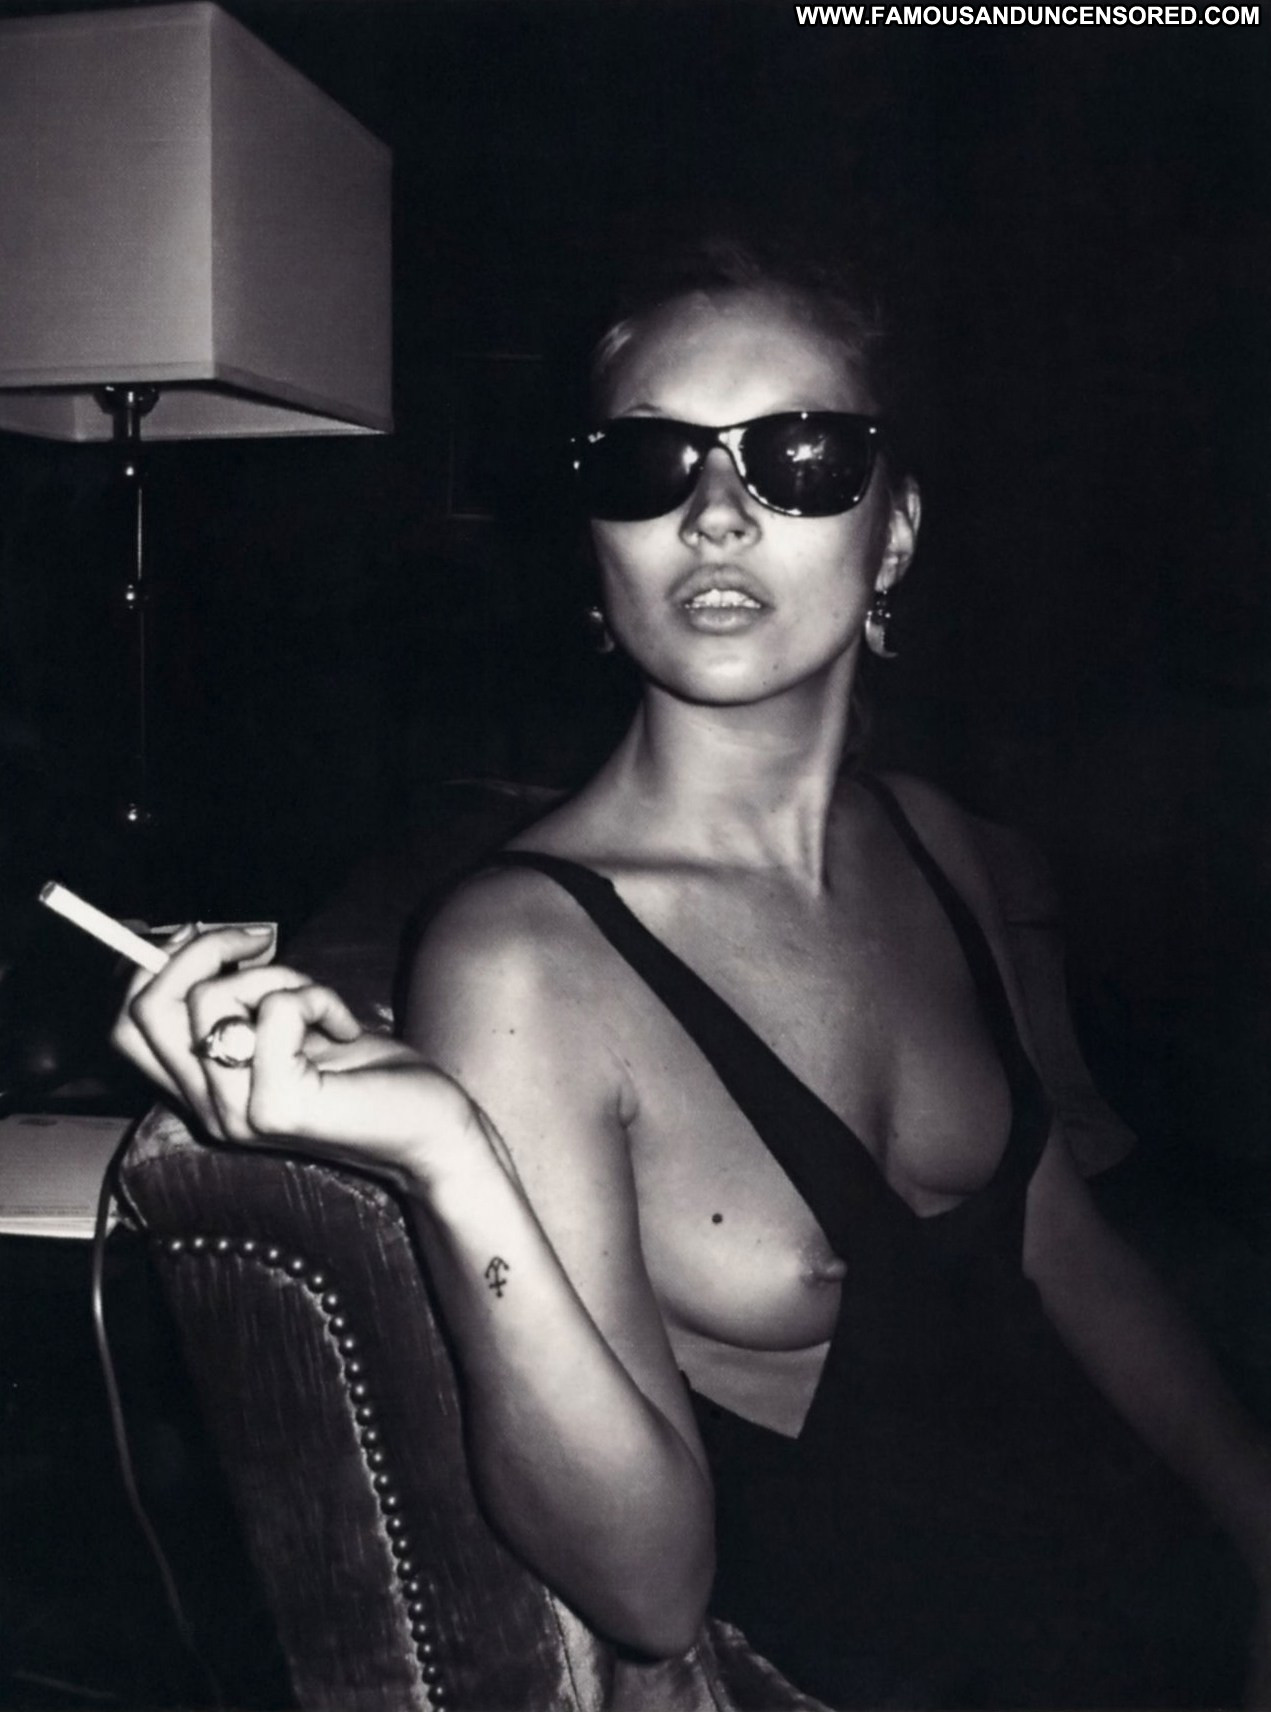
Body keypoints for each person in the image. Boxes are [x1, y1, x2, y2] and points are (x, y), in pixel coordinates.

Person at [112, 240, 1271, 1709]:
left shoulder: (933, 843)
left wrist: (1258, 1520)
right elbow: (650, 1595)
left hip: (1136, 1594)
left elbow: (1065, 1243)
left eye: (800, 455)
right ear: (598, 546)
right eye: (647, 463)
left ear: (895, 534)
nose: (715, 511)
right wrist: (451, 1161)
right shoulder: (519, 957)